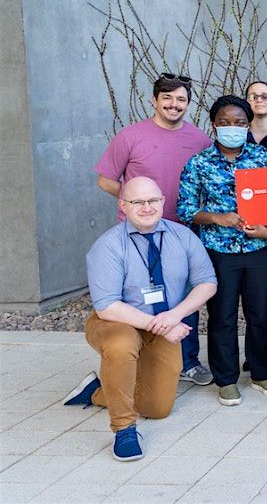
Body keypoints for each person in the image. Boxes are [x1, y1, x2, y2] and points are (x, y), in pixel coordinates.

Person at [63, 177, 217, 461]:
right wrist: (160, 326)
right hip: (116, 321)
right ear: (123, 205)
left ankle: (96, 391)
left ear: (163, 201)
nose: (147, 207)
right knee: (121, 345)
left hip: (164, 322)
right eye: (137, 202)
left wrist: (174, 316)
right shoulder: (108, 245)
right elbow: (107, 306)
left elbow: (207, 282)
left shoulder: (183, 237)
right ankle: (124, 430)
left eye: (153, 200)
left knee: (158, 408)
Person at [94, 73, 214, 387]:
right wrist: (136, 203)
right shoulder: (130, 137)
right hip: (139, 233)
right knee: (137, 296)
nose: (174, 104)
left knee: (183, 295)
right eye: (167, 98)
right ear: (154, 100)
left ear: (188, 103)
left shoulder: (199, 140)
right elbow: (105, 180)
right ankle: (134, 358)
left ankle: (187, 361)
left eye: (181, 99)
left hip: (183, 231)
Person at [177, 95, 267, 406]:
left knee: (260, 314)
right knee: (222, 316)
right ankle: (226, 379)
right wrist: (216, 218)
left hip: (258, 248)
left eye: (239, 122)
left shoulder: (264, 158)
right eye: (224, 122)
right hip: (218, 251)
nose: (232, 127)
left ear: (248, 125)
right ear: (214, 125)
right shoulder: (199, 163)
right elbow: (185, 209)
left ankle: (261, 373)